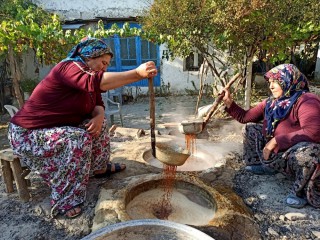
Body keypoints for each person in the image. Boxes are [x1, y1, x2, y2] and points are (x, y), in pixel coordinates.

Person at [7, 37, 157, 218]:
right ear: (89, 56)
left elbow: (97, 101)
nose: (105, 68)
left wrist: (100, 115)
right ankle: (66, 198)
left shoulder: (87, 74)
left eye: (107, 65)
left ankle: (98, 168)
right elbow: (95, 83)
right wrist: (137, 73)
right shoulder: (69, 67)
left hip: (53, 130)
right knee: (78, 138)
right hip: (27, 134)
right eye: (103, 63)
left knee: (97, 126)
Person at [222, 63, 320, 209]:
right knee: (251, 129)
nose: (271, 86)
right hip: (276, 155)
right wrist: (229, 103)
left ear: (288, 80)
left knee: (310, 153)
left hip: (293, 155)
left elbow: (314, 132)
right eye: (270, 82)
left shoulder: (307, 100)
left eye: (276, 82)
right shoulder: (272, 102)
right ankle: (262, 166)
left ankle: (298, 192)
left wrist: (276, 141)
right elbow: (245, 117)